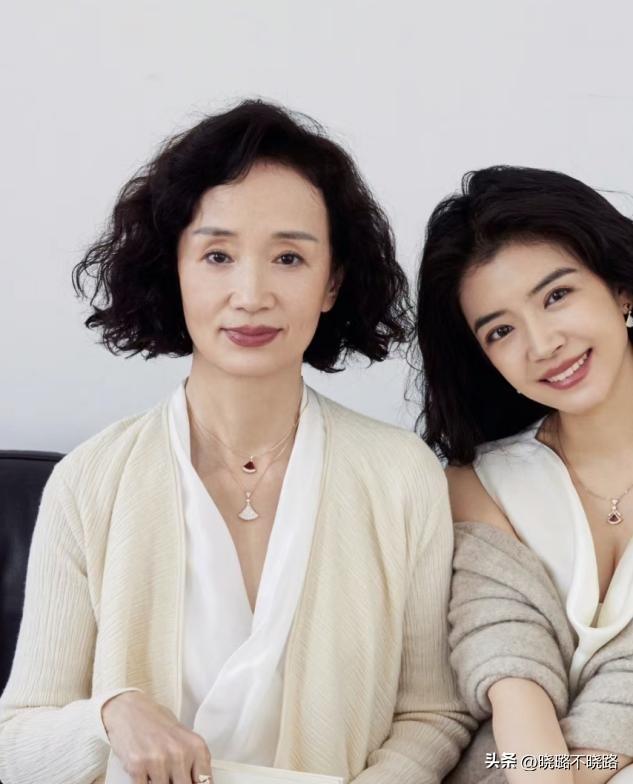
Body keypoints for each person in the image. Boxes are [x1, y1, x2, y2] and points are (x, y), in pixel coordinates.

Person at [0, 100, 473, 784]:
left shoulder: (401, 475)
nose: (251, 294)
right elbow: (14, 742)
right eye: (217, 255)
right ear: (175, 269)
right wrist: (110, 714)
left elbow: (433, 714)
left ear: (332, 282)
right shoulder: (90, 480)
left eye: (289, 257)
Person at [415, 165, 633, 784]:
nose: (541, 344)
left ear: (621, 289)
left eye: (556, 296)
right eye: (501, 330)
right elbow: (511, 673)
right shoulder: (479, 484)